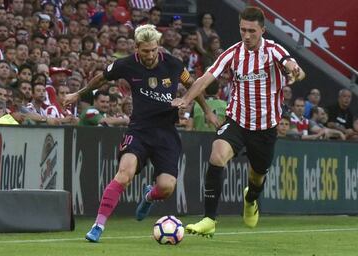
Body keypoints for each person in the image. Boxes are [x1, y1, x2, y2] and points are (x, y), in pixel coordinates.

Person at [63, 24, 219, 242]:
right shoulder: (126, 64)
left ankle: (148, 196)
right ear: (137, 48)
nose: (150, 54)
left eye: (154, 49)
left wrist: (208, 111)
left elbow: (194, 85)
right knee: (124, 173)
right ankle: (98, 226)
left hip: (166, 134)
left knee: (166, 188)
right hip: (139, 130)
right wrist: (77, 95)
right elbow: (100, 78)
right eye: (145, 50)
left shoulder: (173, 64)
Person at [172, 6, 305, 237]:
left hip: (265, 128)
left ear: (262, 30)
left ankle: (251, 198)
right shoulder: (232, 54)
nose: (246, 36)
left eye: (252, 31)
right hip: (237, 121)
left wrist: (295, 71)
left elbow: (295, 68)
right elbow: (205, 79)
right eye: (243, 30)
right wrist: (186, 99)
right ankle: (209, 219)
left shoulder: (273, 51)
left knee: (257, 177)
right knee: (217, 155)